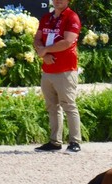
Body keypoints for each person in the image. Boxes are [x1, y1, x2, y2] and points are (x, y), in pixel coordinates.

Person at [33, 0, 82, 152]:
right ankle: (55, 142)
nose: (58, 0)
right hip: (48, 70)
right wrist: (43, 54)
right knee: (52, 107)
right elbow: (36, 39)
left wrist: (45, 50)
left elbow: (67, 41)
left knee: (69, 105)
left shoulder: (72, 17)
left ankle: (75, 142)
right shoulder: (46, 18)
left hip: (66, 70)